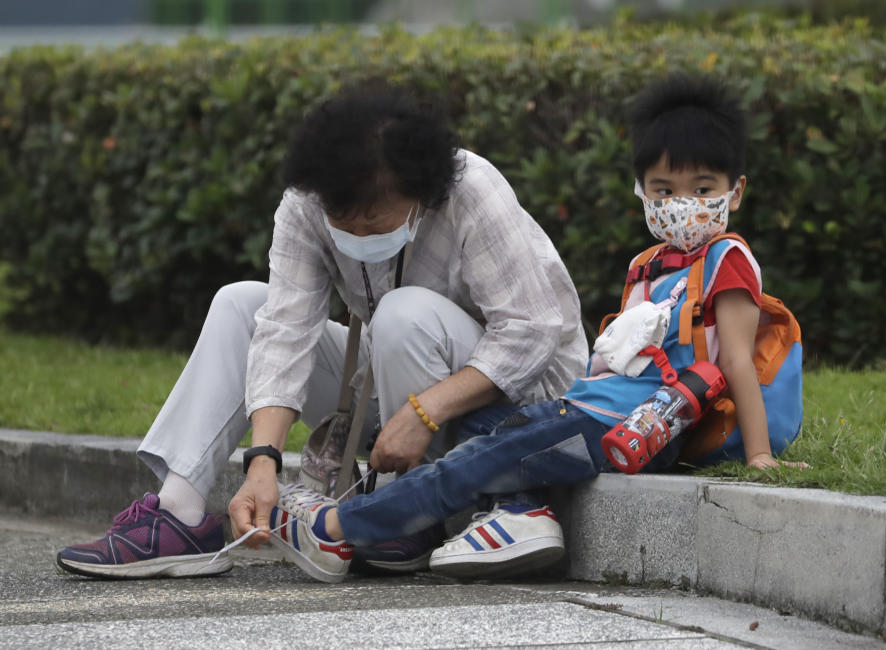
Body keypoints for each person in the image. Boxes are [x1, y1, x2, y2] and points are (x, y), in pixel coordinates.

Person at [245, 73, 808, 583]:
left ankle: (340, 524)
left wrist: (759, 456)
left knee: (480, 459)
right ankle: (517, 514)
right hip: (594, 408)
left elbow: (734, 360)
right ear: (641, 189)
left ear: (736, 191)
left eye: (702, 189)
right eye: (663, 190)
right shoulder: (650, 265)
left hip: (629, 424)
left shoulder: (727, 260)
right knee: (492, 445)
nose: (681, 205)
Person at [55, 82, 588, 579]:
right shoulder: (308, 200)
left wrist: (427, 410)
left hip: (518, 398)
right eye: (342, 220)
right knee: (241, 304)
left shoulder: (470, 188)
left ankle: (404, 514)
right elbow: (285, 329)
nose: (354, 233)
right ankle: (178, 513)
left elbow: (532, 330)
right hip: (395, 392)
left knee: (404, 313)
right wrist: (262, 460)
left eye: (373, 222)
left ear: (420, 194)